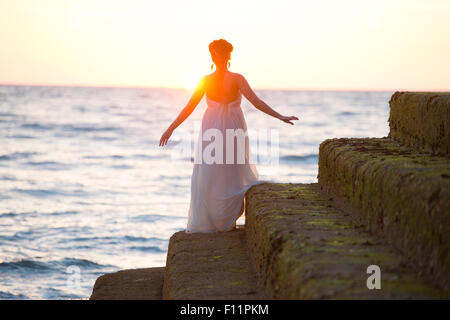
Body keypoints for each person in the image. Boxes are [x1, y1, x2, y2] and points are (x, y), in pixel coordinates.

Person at [159, 39, 298, 232]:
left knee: (228, 172)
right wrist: (171, 128)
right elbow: (189, 107)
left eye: (219, 53)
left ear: (222, 56)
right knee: (214, 173)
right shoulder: (209, 80)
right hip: (216, 129)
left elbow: (256, 102)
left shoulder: (235, 78)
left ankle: (226, 221)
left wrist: (280, 116)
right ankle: (221, 222)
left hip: (229, 129)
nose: (219, 57)